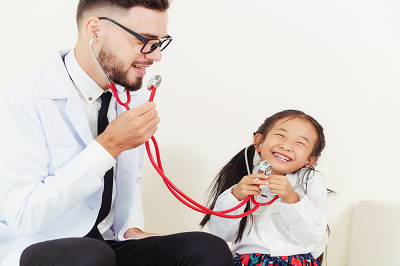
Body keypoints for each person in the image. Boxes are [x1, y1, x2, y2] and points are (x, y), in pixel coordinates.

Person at [0, 0, 233, 265]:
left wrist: (130, 226)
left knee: (207, 248)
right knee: (88, 255)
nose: (156, 55)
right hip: (37, 244)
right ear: (94, 29)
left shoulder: (128, 97)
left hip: (105, 244)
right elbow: (23, 216)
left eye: (159, 42)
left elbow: (129, 180)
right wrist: (108, 146)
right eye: (144, 40)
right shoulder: (23, 99)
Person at [200, 110, 329, 266]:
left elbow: (314, 237)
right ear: (259, 141)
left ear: (310, 159)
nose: (286, 146)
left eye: (300, 143)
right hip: (247, 261)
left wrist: (292, 199)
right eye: (281, 136)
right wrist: (235, 197)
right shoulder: (241, 177)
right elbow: (220, 235)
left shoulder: (310, 180)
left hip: (297, 261)